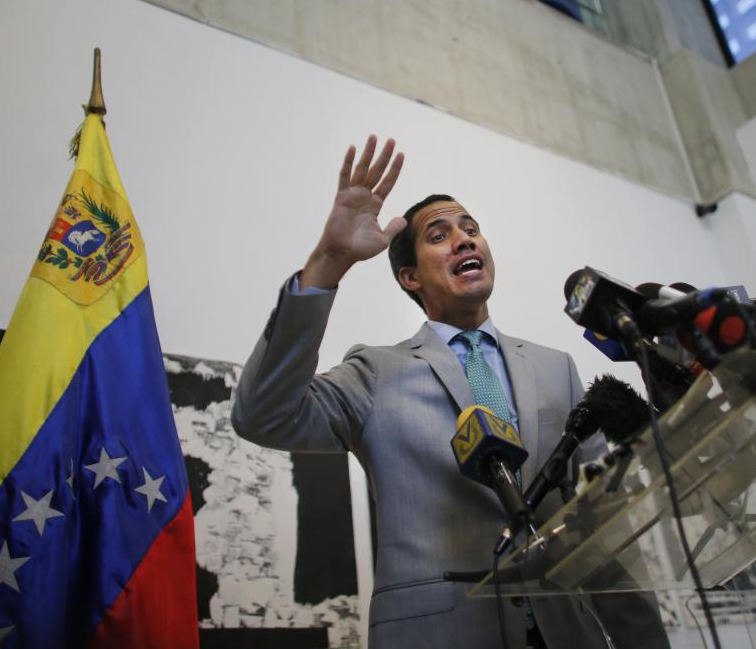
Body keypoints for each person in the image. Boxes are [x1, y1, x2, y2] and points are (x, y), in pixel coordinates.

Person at [232, 135, 668, 649]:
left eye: (472, 230)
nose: (464, 240)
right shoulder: (375, 372)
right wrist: (329, 261)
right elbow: (262, 415)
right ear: (409, 276)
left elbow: (601, 525)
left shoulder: (557, 369)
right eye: (440, 235)